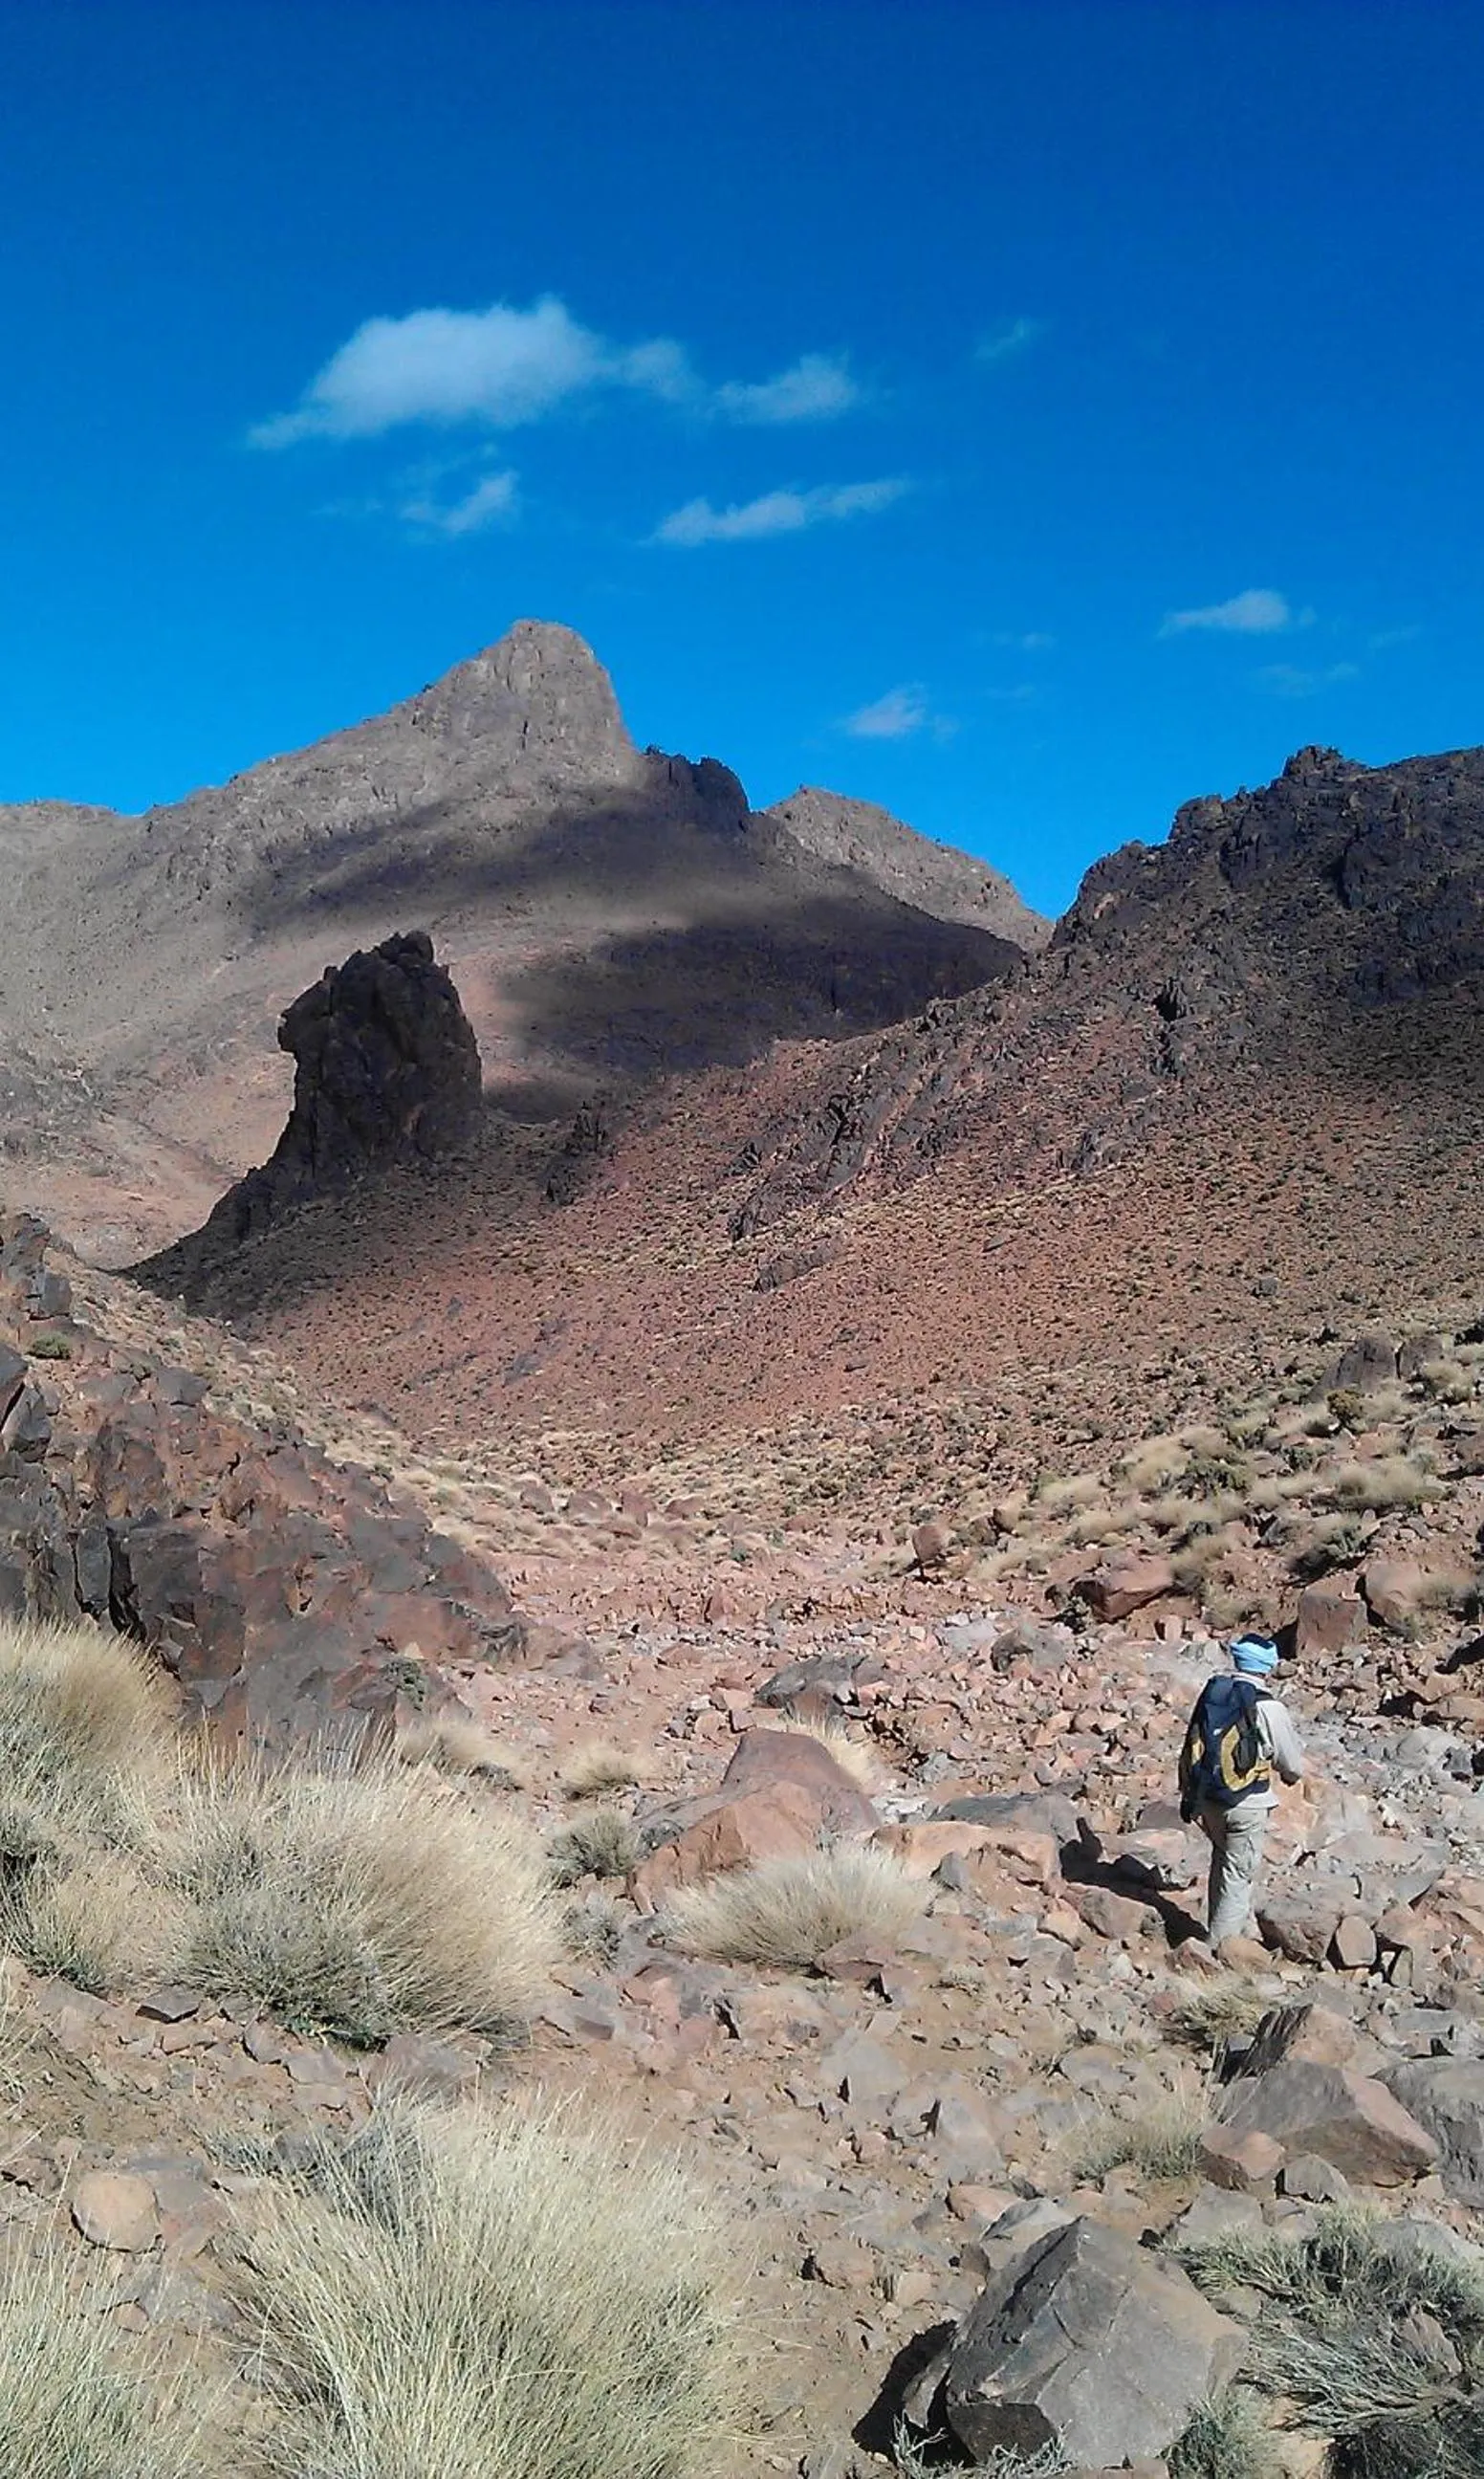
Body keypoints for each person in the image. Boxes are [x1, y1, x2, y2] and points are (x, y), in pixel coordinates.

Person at [1178, 1634, 1304, 1949]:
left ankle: (1230, 1932)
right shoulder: (1268, 1707)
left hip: (1208, 1798)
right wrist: (1289, 1776)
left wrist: (1189, 1793)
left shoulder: (1214, 1694)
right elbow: (1291, 1762)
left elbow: (1193, 1742)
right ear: (1268, 1666)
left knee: (1222, 1862)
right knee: (1237, 1873)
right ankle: (1221, 1951)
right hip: (1247, 1802)